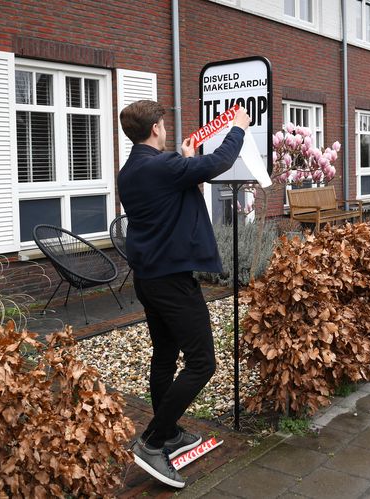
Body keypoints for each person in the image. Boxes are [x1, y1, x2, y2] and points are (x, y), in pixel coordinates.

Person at [117, 100, 250, 488]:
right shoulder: (161, 166)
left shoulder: (131, 170)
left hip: (149, 279)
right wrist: (238, 126)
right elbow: (216, 164)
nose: (166, 128)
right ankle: (154, 441)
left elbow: (171, 191)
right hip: (173, 281)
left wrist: (186, 159)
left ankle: (170, 431)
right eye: (164, 123)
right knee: (202, 362)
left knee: (165, 355)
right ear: (156, 127)